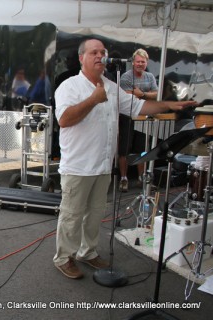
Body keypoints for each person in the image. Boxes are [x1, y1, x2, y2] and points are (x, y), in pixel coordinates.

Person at [53, 38, 196, 279]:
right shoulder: (69, 87)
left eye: (103, 52)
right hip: (78, 166)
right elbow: (64, 120)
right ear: (81, 58)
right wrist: (92, 100)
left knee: (96, 213)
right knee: (72, 215)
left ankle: (87, 252)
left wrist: (172, 105)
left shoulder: (111, 86)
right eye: (94, 52)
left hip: (102, 166)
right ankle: (63, 257)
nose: (100, 56)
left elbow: (139, 107)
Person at [118, 48, 159, 192]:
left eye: (143, 61)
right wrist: (145, 96)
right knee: (124, 149)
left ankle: (142, 178)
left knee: (142, 150)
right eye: (138, 61)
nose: (140, 64)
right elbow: (128, 96)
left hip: (143, 118)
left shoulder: (150, 77)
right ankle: (124, 178)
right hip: (127, 118)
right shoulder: (126, 77)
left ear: (146, 63)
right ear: (133, 63)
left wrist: (142, 94)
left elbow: (156, 94)